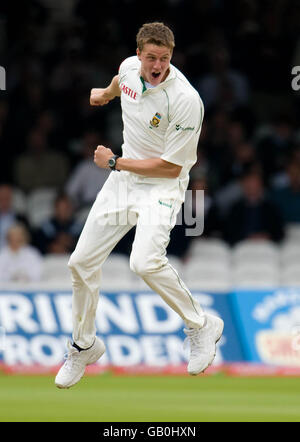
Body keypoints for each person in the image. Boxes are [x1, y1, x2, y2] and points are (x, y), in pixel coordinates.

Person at [55, 22, 224, 389]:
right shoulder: (129, 68)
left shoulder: (185, 100)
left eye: (164, 58)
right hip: (124, 182)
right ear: (138, 55)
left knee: (143, 262)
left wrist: (115, 162)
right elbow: (121, 84)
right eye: (151, 57)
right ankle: (84, 345)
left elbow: (171, 166)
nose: (158, 64)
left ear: (171, 57)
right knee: (80, 262)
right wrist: (103, 94)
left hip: (161, 185)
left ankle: (201, 325)